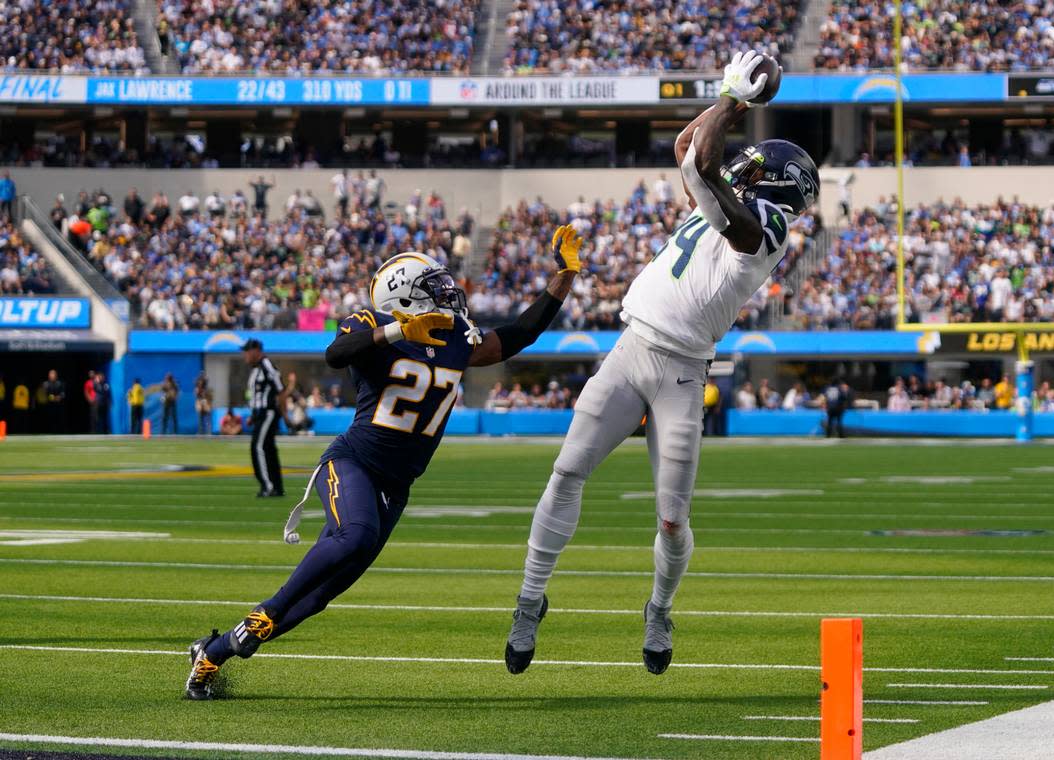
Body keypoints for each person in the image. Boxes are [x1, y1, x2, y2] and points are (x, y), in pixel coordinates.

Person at [504, 50, 819, 676]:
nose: (743, 162)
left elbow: (702, 159)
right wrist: (727, 99)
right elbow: (688, 145)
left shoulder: (767, 225)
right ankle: (530, 597)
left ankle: (660, 606)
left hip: (680, 373)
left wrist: (733, 99)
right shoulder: (723, 196)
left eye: (756, 163)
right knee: (566, 473)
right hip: (630, 351)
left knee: (672, 519)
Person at [184, 231, 583, 700]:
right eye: (433, 285)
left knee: (321, 594)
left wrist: (564, 277)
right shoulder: (372, 323)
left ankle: (217, 649)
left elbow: (519, 335)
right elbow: (336, 354)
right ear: (404, 294)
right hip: (354, 461)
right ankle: (253, 623)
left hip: (398, 483)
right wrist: (397, 331)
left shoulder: (455, 335)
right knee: (356, 534)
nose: (447, 292)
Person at [242, 339, 287, 498]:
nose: (245, 355)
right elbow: (257, 396)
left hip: (268, 413)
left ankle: (268, 485)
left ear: (256, 350)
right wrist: (253, 415)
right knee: (268, 449)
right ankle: (276, 486)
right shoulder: (256, 369)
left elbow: (280, 390)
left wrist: (284, 415)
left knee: (258, 447)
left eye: (247, 351)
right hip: (260, 414)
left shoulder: (267, 365)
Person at [42, 369, 66, 433]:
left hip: (58, 407)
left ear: (56, 375)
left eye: (53, 374)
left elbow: (63, 394)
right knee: (49, 421)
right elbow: (44, 395)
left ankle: (59, 433)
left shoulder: (60, 383)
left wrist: (60, 397)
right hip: (48, 407)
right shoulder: (45, 384)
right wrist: (51, 397)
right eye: (50, 374)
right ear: (48, 376)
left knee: (59, 420)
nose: (52, 375)